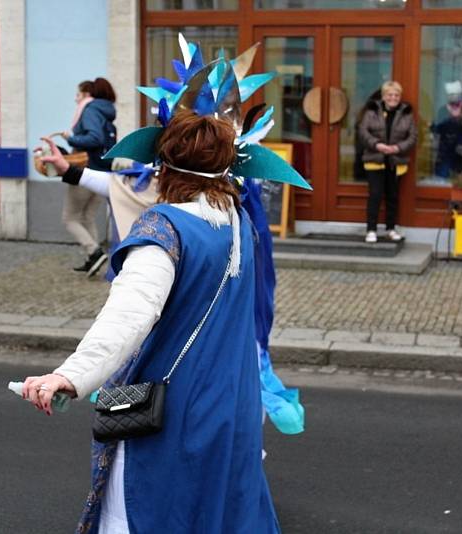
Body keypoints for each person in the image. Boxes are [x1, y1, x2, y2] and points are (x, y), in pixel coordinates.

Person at [22, 111, 281, 533]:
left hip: (180, 408)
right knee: (222, 515)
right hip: (234, 404)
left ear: (164, 167)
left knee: (154, 512)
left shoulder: (165, 228)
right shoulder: (238, 222)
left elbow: (129, 315)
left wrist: (70, 375)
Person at [60, 77, 117, 276]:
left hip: (86, 171)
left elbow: (95, 138)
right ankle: (93, 259)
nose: (76, 99)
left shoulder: (90, 110)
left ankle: (93, 251)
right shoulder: (106, 112)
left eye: (78, 94)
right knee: (87, 217)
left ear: (87, 94)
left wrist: (71, 138)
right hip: (103, 171)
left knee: (69, 219)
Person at [357, 80, 417, 243]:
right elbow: (363, 132)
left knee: (393, 196)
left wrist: (398, 148)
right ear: (383, 96)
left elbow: (412, 137)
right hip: (375, 159)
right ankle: (371, 230)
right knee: (375, 195)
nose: (393, 98)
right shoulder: (372, 111)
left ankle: (391, 229)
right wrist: (377, 145)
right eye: (390, 95)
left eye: (396, 95)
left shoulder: (406, 113)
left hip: (395, 161)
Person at [431, 80, 462, 180]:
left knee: (460, 182)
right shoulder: (443, 110)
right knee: (442, 179)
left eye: (456, 94)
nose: (453, 97)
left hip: (461, 153)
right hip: (445, 153)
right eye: (451, 95)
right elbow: (436, 128)